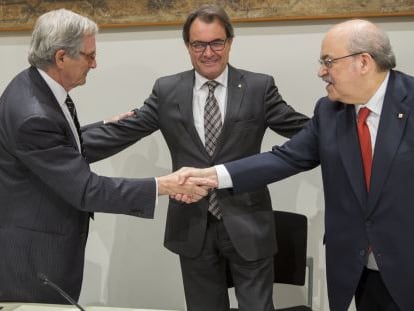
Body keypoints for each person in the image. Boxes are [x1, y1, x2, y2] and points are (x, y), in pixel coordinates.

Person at [82, 4, 309, 311]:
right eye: (198, 44)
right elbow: (122, 132)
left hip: (249, 222)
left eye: (216, 42)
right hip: (192, 227)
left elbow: (302, 130)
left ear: (230, 41)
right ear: (188, 46)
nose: (208, 52)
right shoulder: (167, 90)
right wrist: (60, 142)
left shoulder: (258, 87)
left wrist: (344, 132)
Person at [181, 19, 414, 311]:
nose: (321, 71)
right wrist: (213, 176)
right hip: (360, 269)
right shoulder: (330, 111)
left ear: (364, 62)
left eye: (328, 61)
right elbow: (285, 157)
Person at [0, 9, 213, 304]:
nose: (95, 64)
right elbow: (87, 190)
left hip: (44, 248)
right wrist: (164, 185)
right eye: (89, 56)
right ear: (61, 57)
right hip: (34, 261)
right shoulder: (33, 115)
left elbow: (62, 148)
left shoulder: (32, 86)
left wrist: (108, 127)